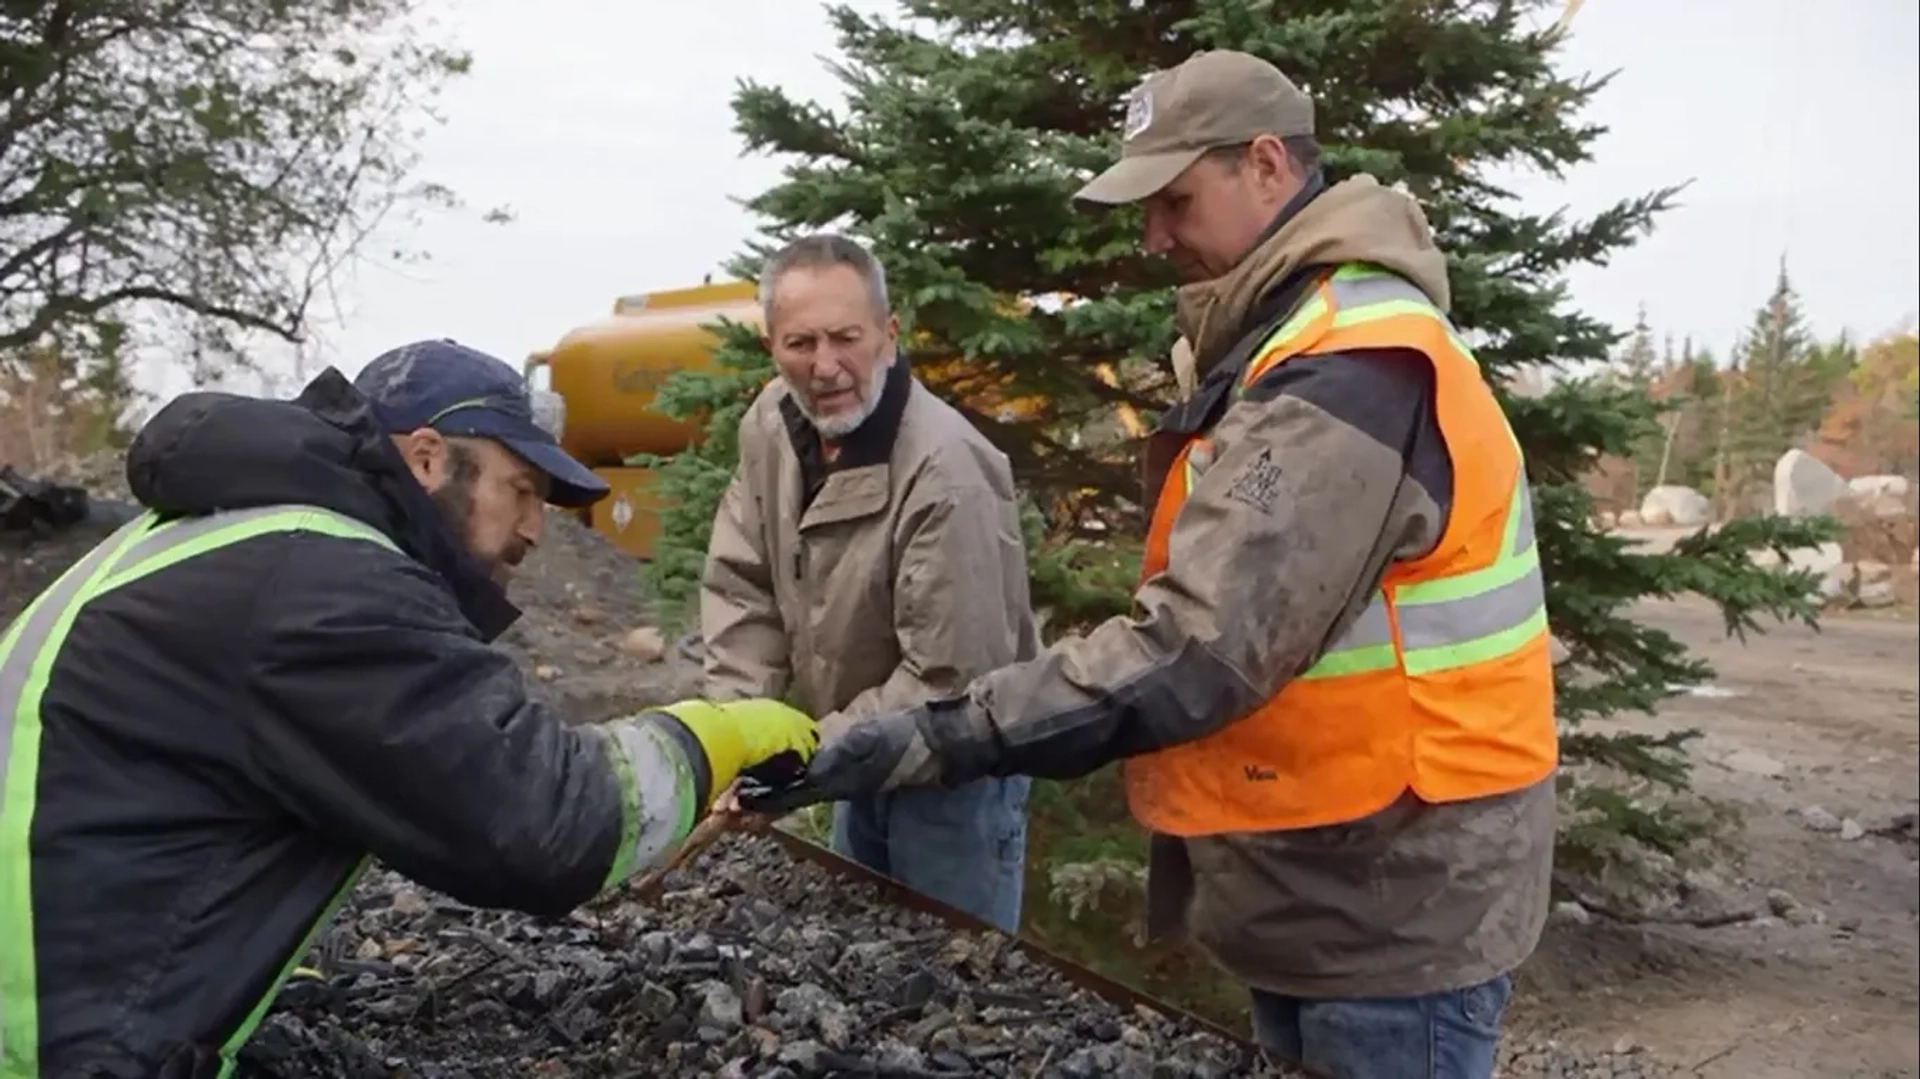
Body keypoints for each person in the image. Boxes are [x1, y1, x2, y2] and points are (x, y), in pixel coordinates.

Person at [746, 51, 1559, 1079]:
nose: (1154, 236)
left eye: (1175, 200)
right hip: (1331, 871)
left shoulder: (1353, 366)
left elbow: (1194, 646)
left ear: (1267, 164)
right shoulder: (1294, 340)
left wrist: (940, 734)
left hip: (1397, 891)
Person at [0, 340, 816, 1076]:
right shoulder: (324, 581)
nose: (536, 526)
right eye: (521, 487)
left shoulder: (229, 534)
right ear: (427, 458)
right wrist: (717, 731)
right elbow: (547, 823)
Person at [699, 233, 1039, 932]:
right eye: (800, 343)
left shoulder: (947, 471)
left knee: (953, 989)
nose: (826, 366)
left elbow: (950, 681)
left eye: (846, 338)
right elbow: (743, 584)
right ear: (772, 345)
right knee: (861, 961)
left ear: (888, 335)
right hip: (856, 758)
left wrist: (797, 765)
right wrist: (740, 737)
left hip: (955, 776)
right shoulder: (769, 424)